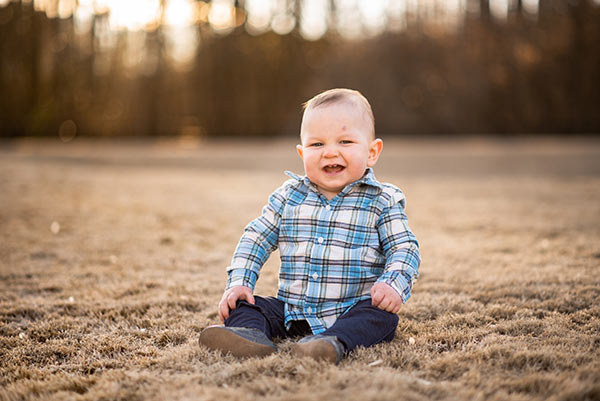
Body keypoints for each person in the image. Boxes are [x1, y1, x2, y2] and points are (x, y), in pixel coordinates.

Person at [199, 88, 420, 363]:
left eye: (345, 141)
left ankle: (332, 342)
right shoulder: (288, 197)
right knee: (244, 305)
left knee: (381, 318)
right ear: (302, 152)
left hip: (353, 309)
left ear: (372, 152)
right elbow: (255, 238)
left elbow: (404, 248)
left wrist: (392, 284)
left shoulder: (382, 200)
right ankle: (249, 335)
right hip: (293, 311)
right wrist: (239, 282)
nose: (329, 152)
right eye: (317, 145)